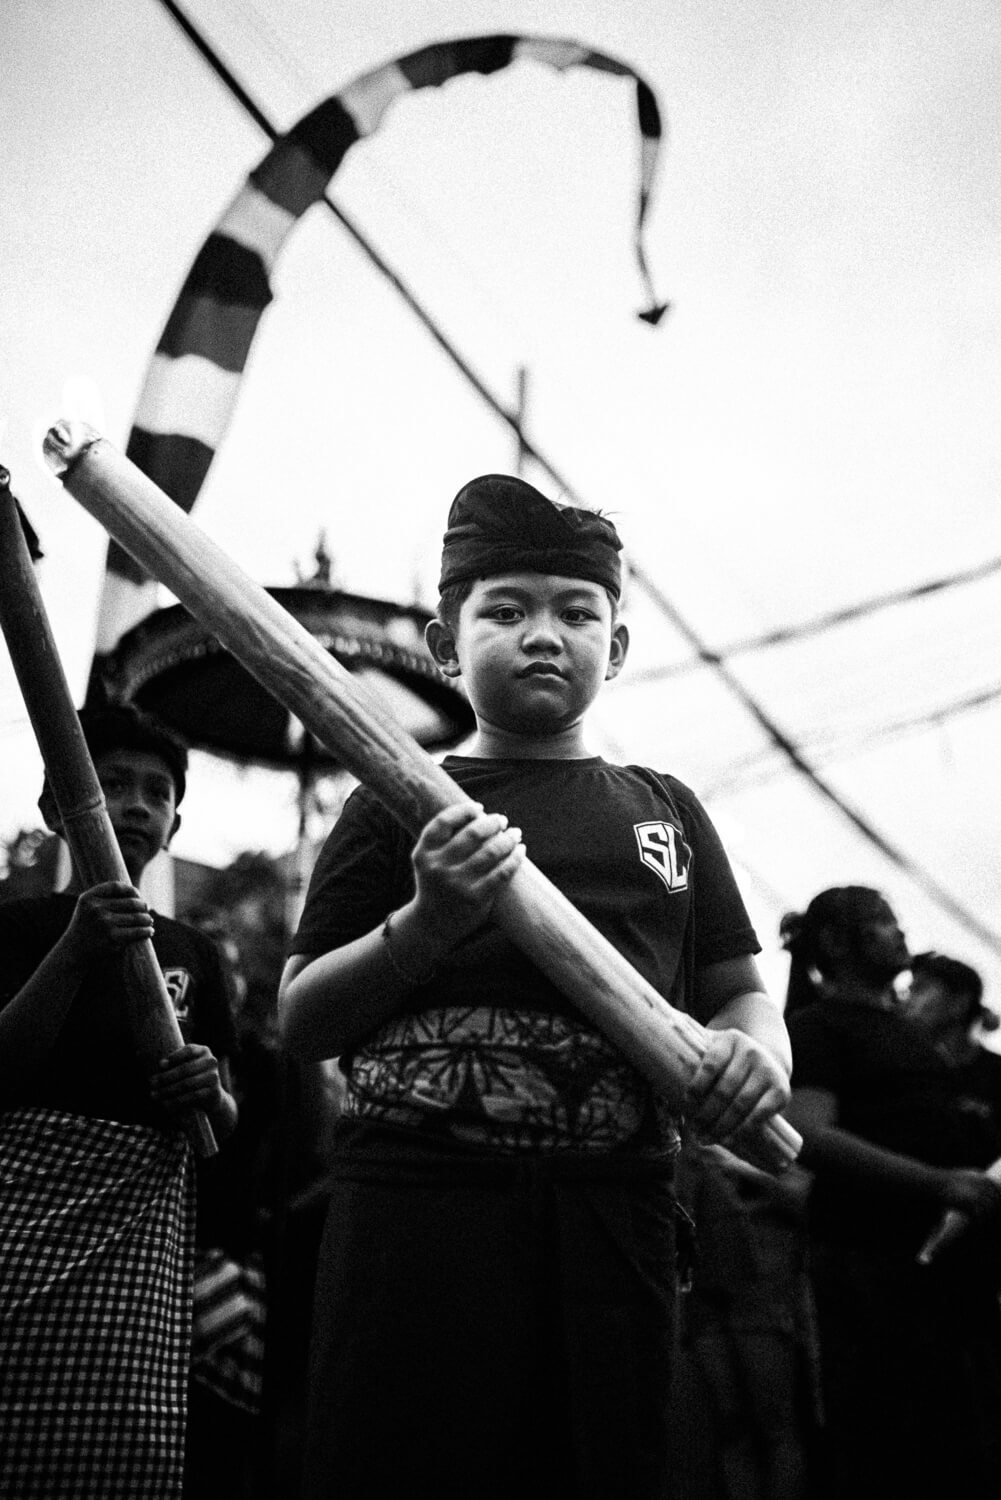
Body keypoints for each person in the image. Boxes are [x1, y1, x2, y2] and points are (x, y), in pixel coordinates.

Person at [279, 473, 792, 1499]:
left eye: (574, 612)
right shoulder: (396, 803)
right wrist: (423, 923)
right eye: (503, 610)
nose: (541, 635)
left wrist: (755, 1057)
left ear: (617, 646)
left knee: (595, 1461)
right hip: (417, 1208)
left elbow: (738, 990)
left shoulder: (664, 812)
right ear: (442, 645)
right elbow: (302, 1018)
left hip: (612, 1209)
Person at [0, 704, 239, 1500]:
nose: (136, 804)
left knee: (123, 1445)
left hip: (138, 1233)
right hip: (24, 1216)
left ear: (173, 823)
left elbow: (223, 1119)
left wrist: (207, 1090)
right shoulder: (14, 927)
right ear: (53, 808)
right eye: (110, 784)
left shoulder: (193, 953)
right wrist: (75, 947)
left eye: (157, 791)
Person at [781, 887, 1001, 1500]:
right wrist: (939, 1183)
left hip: (934, 1272)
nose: (900, 935)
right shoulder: (820, 1027)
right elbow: (810, 1134)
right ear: (836, 943)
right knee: (887, 1439)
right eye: (883, 924)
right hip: (868, 1267)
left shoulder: (899, 1030)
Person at [907, 951, 1001, 1161]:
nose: (908, 1000)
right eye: (910, 990)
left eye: (919, 989)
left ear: (959, 1003)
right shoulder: (903, 1066)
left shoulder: (996, 1075)